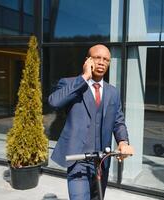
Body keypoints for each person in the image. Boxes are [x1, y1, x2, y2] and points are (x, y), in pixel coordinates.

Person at [48, 44, 134, 200]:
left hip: (102, 161)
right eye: (97, 58)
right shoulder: (70, 83)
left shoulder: (112, 92)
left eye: (106, 59)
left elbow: (118, 121)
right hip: (77, 160)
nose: (102, 62)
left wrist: (123, 141)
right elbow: (54, 102)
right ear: (87, 60)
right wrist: (84, 77)